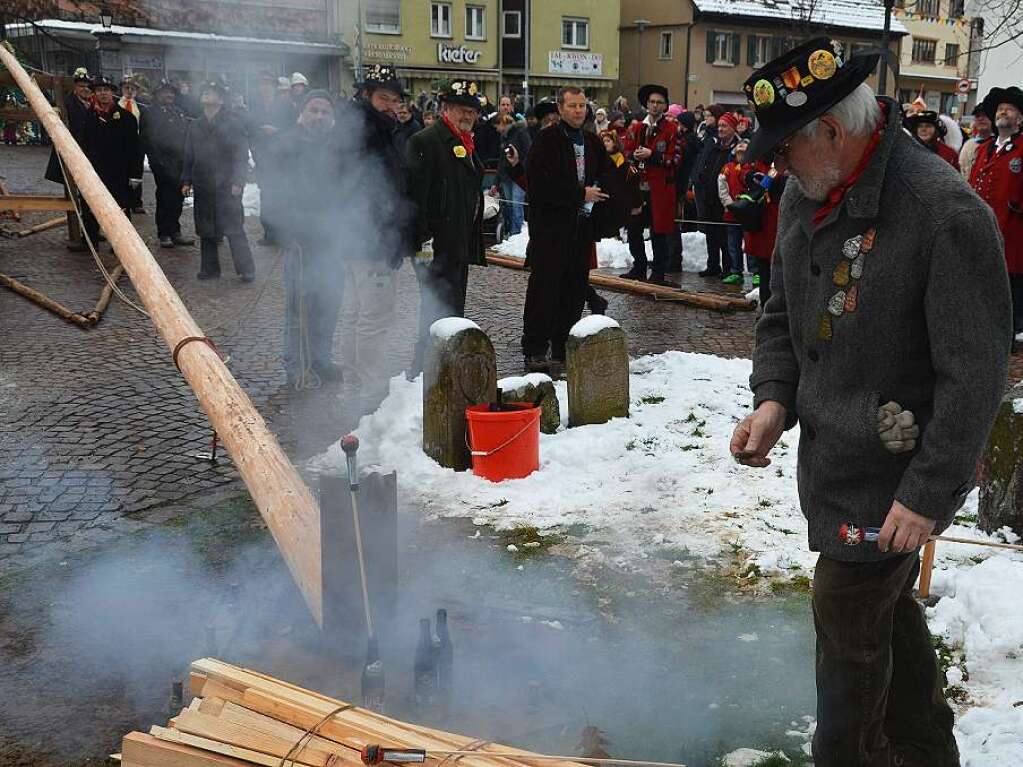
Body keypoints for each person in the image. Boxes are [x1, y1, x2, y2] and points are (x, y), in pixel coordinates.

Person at [731, 37, 1009, 767]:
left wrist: (927, 492)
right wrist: (771, 400)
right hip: (832, 466)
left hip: (892, 484)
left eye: (783, 146)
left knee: (847, 633)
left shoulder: (941, 211)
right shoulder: (805, 189)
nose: (774, 163)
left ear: (830, 129)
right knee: (888, 622)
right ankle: (924, 751)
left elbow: (975, 373)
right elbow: (778, 316)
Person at [520, 86, 618, 375]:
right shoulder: (546, 139)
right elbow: (540, 184)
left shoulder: (591, 140)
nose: (578, 111)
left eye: (582, 105)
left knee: (574, 291)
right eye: (572, 105)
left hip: (581, 230)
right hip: (550, 230)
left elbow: (607, 173)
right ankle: (535, 350)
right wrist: (579, 194)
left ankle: (563, 348)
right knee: (544, 290)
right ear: (561, 109)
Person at [338, 65, 412, 411]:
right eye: (384, 98)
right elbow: (371, 190)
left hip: (359, 236)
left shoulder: (369, 125)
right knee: (372, 316)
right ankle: (367, 385)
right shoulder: (367, 129)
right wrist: (388, 235)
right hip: (371, 238)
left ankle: (354, 380)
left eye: (395, 100)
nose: (391, 105)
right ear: (367, 95)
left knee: (356, 314)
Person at [407, 79, 486, 374]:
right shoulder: (426, 141)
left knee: (453, 309)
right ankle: (423, 371)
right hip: (434, 247)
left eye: (472, 111)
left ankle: (444, 366)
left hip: (458, 242)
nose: (467, 116)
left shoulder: (465, 141)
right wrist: (423, 246)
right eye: (461, 110)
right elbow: (415, 198)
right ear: (446, 109)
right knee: (434, 310)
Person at [181, 80, 255, 282]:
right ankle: (210, 270)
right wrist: (186, 180)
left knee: (233, 228)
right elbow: (189, 154)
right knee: (206, 229)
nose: (207, 95)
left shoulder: (233, 124)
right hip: (204, 184)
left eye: (212, 93)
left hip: (227, 185)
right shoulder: (195, 125)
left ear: (221, 100)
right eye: (205, 92)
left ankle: (246, 269)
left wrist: (238, 181)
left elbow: (241, 155)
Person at [968, 86, 1023, 342]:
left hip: (1013, 230)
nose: (1003, 111)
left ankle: (1012, 331)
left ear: (1020, 119)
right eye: (1000, 108)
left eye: (1010, 108)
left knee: (1011, 283)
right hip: (984, 228)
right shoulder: (985, 148)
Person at [621, 83, 681, 284]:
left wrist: (653, 155)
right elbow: (626, 152)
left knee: (659, 232)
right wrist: (635, 155)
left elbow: (676, 159)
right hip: (638, 187)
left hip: (661, 189)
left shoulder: (673, 128)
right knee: (634, 229)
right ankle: (639, 266)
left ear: (665, 106)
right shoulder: (637, 127)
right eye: (652, 102)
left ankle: (658, 273)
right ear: (647, 104)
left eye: (659, 102)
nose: (655, 106)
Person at [80, 76, 143, 245]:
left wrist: (136, 176)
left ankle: (122, 244)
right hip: (94, 171)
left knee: (121, 208)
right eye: (99, 90)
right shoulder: (88, 117)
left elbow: (136, 150)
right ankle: (89, 241)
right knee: (90, 207)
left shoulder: (127, 119)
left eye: (106, 90)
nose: (103, 94)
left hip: (119, 173)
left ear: (112, 93)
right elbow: (83, 144)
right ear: (95, 94)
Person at [140, 80, 194, 248]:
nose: (169, 95)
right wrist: (157, 163)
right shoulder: (150, 113)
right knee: (165, 198)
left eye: (171, 92)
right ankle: (164, 233)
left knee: (178, 197)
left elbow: (185, 137)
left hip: (179, 162)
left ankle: (175, 230)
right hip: (162, 163)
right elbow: (148, 140)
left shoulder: (179, 112)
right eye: (165, 92)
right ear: (157, 95)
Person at [45, 67, 93, 250]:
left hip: (91, 156)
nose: (85, 90)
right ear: (75, 88)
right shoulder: (67, 104)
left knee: (90, 196)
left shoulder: (93, 103)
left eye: (87, 87)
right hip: (73, 155)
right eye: (81, 86)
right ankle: (81, 234)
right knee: (76, 196)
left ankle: (92, 231)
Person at [247, 71, 291, 246]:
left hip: (281, 159)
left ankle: (283, 233)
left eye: (268, 84)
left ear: (274, 87)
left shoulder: (286, 107)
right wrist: (257, 143)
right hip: (264, 158)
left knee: (282, 196)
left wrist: (277, 132)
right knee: (266, 196)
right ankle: (269, 233)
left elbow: (293, 129)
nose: (265, 88)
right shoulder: (255, 107)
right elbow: (250, 129)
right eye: (262, 84)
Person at [691, 104, 735, 277]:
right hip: (707, 194)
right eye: (721, 126)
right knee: (711, 233)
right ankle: (713, 264)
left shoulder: (734, 148)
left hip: (723, 198)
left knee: (723, 234)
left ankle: (728, 267)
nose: (721, 129)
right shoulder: (714, 146)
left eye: (725, 126)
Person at [717, 133, 752, 285]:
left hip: (749, 214)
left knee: (750, 244)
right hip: (731, 213)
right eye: (739, 153)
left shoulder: (752, 168)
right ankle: (735, 271)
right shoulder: (727, 168)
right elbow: (722, 187)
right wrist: (730, 204)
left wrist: (748, 205)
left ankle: (755, 270)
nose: (741, 156)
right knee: (733, 245)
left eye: (744, 153)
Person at [494, 112, 531, 238]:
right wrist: (496, 181)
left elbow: (528, 153)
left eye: (497, 126)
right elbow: (501, 160)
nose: (496, 129)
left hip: (518, 176)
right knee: (509, 204)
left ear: (502, 124)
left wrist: (521, 169)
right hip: (506, 176)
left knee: (517, 204)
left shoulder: (521, 133)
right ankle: (510, 230)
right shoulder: (504, 137)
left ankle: (516, 233)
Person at [118, 76, 146, 213]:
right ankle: (124, 200)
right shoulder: (117, 105)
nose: (129, 91)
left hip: (137, 143)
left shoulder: (140, 106)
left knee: (137, 173)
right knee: (122, 172)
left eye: (132, 88)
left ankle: (137, 202)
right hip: (121, 144)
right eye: (126, 88)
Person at [959, 104, 992, 180]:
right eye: (977, 116)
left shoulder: (999, 144)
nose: (981, 118)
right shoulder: (968, 145)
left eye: (985, 115)